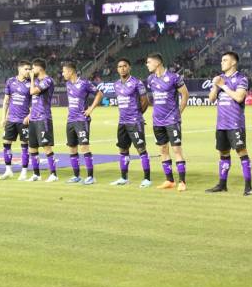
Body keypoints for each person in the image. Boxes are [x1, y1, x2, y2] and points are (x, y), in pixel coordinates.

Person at [206, 51, 252, 196]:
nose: (222, 62)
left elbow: (239, 97)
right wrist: (215, 85)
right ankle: (222, 184)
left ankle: (248, 187)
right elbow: (211, 99)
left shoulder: (241, 79)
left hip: (235, 123)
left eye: (225, 60)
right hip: (221, 124)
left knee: (241, 152)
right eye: (221, 60)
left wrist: (224, 86)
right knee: (223, 153)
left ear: (233, 62)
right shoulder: (220, 79)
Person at [103, 58, 152, 188]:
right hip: (122, 122)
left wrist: (138, 115)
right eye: (120, 66)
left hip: (135, 122)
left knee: (141, 149)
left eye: (125, 66)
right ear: (117, 69)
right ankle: (123, 178)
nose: (122, 68)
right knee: (123, 149)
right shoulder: (116, 84)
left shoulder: (137, 83)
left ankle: (147, 178)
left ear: (129, 68)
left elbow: (145, 101)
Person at [145, 52, 189, 192]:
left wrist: (179, 112)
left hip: (172, 120)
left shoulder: (173, 77)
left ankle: (182, 181)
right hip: (157, 121)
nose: (147, 65)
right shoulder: (150, 79)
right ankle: (169, 180)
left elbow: (185, 94)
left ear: (157, 63)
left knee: (176, 149)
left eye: (149, 62)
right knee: (163, 150)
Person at [62, 61, 103, 185]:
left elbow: (99, 93)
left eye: (64, 71)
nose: (62, 74)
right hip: (70, 120)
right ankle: (76, 176)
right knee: (72, 148)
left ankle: (90, 177)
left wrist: (90, 108)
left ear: (70, 71)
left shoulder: (84, 83)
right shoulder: (68, 84)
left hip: (81, 120)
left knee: (84, 147)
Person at [0, 61, 32, 181]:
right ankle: (8, 170)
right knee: (6, 144)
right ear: (19, 69)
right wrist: (3, 117)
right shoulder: (10, 81)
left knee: (25, 146)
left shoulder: (31, 84)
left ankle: (23, 172)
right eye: (26, 69)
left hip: (24, 120)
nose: (28, 71)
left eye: (30, 69)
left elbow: (35, 102)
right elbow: (6, 100)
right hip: (11, 119)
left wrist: (29, 115)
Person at [27, 58, 57, 182]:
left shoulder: (48, 80)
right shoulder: (38, 81)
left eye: (33, 68)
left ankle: (53, 174)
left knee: (46, 146)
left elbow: (33, 92)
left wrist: (32, 78)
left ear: (39, 68)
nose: (32, 71)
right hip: (33, 118)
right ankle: (36, 174)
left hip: (43, 117)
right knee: (32, 147)